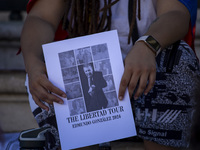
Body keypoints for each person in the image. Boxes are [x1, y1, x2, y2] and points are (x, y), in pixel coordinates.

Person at [20, 0, 199, 150]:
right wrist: (32, 63)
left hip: (147, 78)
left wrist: (148, 45)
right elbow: (41, 17)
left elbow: (176, 13)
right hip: (89, 96)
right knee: (49, 69)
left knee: (178, 58)